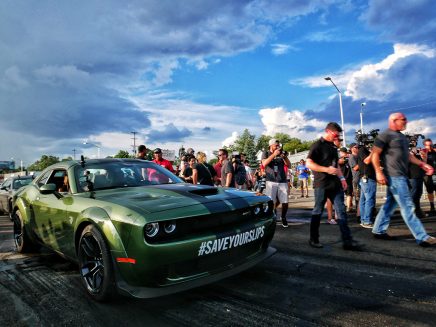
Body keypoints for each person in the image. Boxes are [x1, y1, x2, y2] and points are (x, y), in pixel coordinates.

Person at [371, 112, 436, 247]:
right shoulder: (384, 135)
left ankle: (378, 230)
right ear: (394, 121)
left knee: (390, 205)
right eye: (403, 120)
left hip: (402, 176)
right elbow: (374, 155)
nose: (406, 122)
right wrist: (378, 172)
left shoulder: (401, 137)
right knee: (408, 206)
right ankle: (422, 236)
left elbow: (408, 156)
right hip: (394, 176)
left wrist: (422, 164)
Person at [306, 122, 359, 250]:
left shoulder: (333, 147)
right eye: (336, 134)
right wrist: (326, 169)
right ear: (328, 131)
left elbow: (335, 166)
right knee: (318, 210)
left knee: (341, 211)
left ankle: (347, 241)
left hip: (335, 184)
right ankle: (314, 239)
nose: (337, 137)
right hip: (321, 184)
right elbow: (309, 163)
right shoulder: (317, 145)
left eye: (339, 135)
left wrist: (342, 179)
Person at [261, 138, 291, 228]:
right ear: (271, 145)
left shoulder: (281, 153)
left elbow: (289, 165)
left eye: (278, 145)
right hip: (270, 180)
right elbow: (264, 163)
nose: (278, 146)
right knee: (271, 201)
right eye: (276, 145)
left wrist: (284, 157)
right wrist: (274, 154)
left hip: (282, 180)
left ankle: (283, 217)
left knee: (285, 201)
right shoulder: (265, 153)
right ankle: (272, 217)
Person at [358, 144, 377, 228]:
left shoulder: (364, 150)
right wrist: (374, 151)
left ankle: (364, 220)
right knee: (369, 200)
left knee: (364, 200)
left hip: (366, 178)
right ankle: (367, 221)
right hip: (368, 178)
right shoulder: (362, 149)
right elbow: (366, 161)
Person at [421, 138, 436, 214]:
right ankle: (432, 206)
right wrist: (425, 154)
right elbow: (424, 162)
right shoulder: (423, 151)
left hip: (435, 173)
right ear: (424, 145)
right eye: (427, 145)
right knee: (430, 190)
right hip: (427, 174)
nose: (429, 147)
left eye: (430, 145)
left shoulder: (434, 151)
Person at [339, 147, 353, 212]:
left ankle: (348, 207)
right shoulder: (341, 160)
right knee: (348, 194)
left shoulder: (348, 159)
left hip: (347, 178)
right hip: (343, 179)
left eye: (341, 152)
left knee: (348, 194)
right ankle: (347, 207)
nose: (340, 153)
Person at [348, 143, 361, 219]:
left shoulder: (358, 156)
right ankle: (358, 214)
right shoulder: (352, 157)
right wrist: (362, 161)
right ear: (352, 149)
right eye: (356, 147)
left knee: (361, 197)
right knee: (358, 197)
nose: (357, 148)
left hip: (361, 178)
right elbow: (355, 168)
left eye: (358, 147)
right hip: (356, 179)